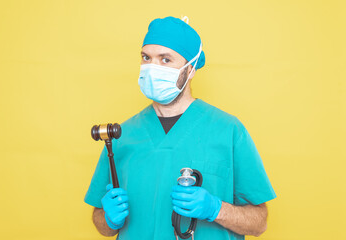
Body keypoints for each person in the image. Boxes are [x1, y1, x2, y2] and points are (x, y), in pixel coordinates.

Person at [84, 16, 276, 240]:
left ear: (191, 68)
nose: (152, 68)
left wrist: (216, 209)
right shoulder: (120, 136)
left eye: (165, 60)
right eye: (146, 58)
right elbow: (102, 224)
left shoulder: (228, 130)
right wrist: (108, 218)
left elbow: (259, 223)